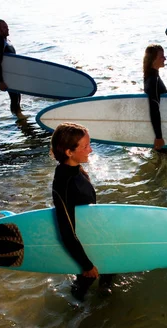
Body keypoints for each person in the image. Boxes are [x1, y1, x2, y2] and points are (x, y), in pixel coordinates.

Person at [50, 123, 114, 301]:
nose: (90, 150)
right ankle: (76, 316)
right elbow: (67, 231)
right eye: (85, 146)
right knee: (84, 283)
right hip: (84, 243)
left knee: (110, 271)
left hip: (92, 234)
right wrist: (86, 265)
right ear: (69, 152)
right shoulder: (63, 183)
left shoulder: (75, 169)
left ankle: (103, 305)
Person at [0, 19, 23, 119]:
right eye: (4, 27)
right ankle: (18, 119)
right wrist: (1, 81)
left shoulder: (7, 41)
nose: (7, 28)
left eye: (7, 26)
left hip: (13, 76)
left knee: (18, 97)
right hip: (7, 77)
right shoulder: (0, 42)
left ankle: (18, 116)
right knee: (14, 98)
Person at [143, 44, 167, 153]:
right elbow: (154, 108)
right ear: (153, 60)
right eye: (161, 56)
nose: (165, 58)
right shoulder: (153, 80)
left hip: (160, 130)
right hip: (160, 132)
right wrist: (159, 137)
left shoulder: (151, 77)